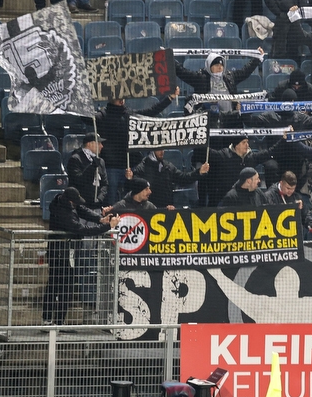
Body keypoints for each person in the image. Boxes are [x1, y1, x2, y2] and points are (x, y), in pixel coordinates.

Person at [41, 187, 118, 326]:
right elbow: (81, 229)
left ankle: (57, 321)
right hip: (59, 253)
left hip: (65, 251)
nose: (77, 204)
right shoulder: (64, 213)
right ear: (70, 201)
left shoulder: (65, 202)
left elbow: (83, 210)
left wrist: (101, 220)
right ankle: (50, 320)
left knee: (63, 286)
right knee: (58, 286)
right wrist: (108, 227)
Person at [203, 136, 275, 206]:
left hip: (247, 198)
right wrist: (201, 140)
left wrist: (283, 140)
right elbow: (209, 153)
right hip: (226, 198)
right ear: (236, 145)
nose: (247, 145)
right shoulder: (224, 155)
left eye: (247, 142)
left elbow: (270, 152)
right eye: (244, 142)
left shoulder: (251, 157)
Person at [131, 149, 209, 208]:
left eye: (163, 149)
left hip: (167, 208)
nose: (162, 152)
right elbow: (134, 185)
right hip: (148, 209)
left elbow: (183, 178)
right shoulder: (142, 167)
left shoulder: (168, 166)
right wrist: (130, 178)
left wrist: (199, 172)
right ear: (152, 151)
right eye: (159, 150)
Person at [67, 132, 108, 208]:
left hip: (96, 205)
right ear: (90, 144)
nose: (101, 146)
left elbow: (104, 184)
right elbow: (79, 181)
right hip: (80, 206)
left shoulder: (100, 161)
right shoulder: (75, 159)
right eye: (98, 143)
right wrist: (92, 167)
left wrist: (100, 198)